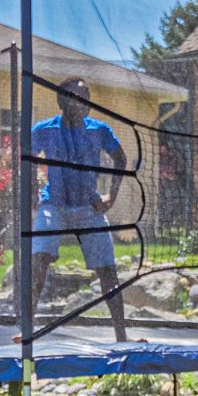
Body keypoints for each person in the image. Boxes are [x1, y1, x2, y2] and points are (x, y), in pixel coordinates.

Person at [28, 78, 129, 341]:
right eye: (77, 97)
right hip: (54, 204)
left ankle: (121, 335)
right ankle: (26, 328)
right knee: (39, 258)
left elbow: (120, 158)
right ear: (62, 101)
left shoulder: (99, 130)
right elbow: (25, 159)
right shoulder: (44, 129)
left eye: (87, 97)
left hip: (88, 205)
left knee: (107, 269)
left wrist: (111, 195)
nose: (84, 102)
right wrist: (32, 193)